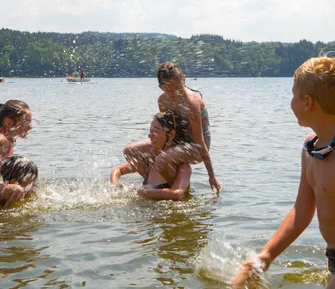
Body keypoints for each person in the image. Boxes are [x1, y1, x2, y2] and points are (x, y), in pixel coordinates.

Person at [232, 56, 335, 289]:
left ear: (307, 102)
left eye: (293, 94)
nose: (290, 101)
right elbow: (302, 209)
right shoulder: (312, 148)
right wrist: (265, 256)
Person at [124, 62, 221, 192]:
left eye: (178, 88)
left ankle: (178, 187)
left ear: (184, 79)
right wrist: (156, 147)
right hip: (174, 139)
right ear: (161, 88)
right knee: (130, 151)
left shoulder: (192, 104)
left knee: (163, 157)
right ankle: (154, 183)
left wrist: (212, 175)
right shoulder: (163, 101)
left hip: (195, 147)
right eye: (169, 90)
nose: (175, 93)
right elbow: (166, 130)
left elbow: (200, 143)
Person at [111, 111, 191, 201]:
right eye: (150, 130)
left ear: (171, 134)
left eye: (156, 131)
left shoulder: (183, 166)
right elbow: (118, 170)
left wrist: (141, 193)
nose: (149, 135)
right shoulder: (149, 160)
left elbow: (177, 193)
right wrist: (115, 186)